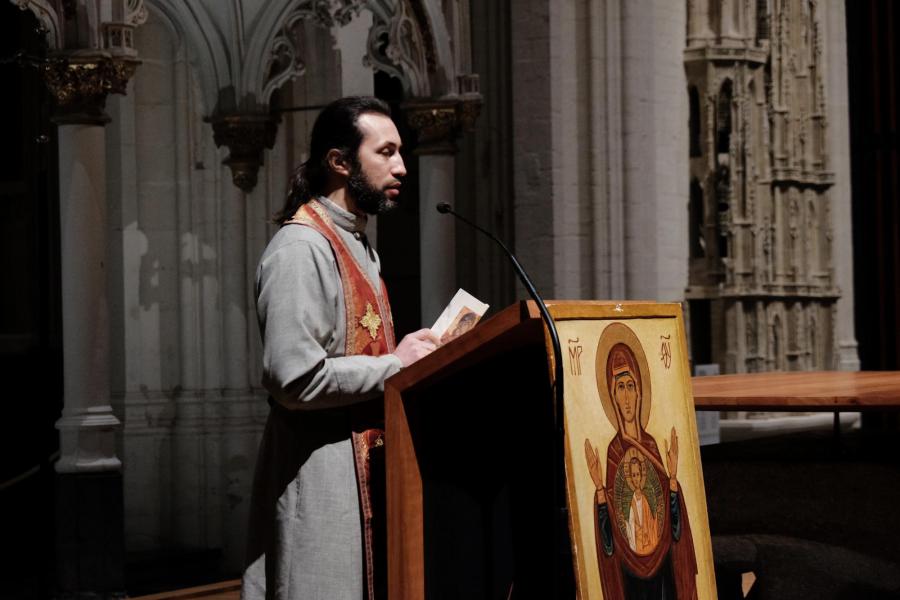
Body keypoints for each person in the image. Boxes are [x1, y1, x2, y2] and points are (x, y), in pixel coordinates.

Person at [241, 96, 439, 600]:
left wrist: (408, 352)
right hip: (322, 478)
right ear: (340, 162)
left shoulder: (358, 242)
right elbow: (293, 378)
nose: (401, 166)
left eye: (401, 152)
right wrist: (396, 366)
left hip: (369, 470)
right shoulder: (301, 248)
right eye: (386, 152)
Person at [583, 328, 698, 599]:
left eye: (631, 386)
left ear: (640, 391)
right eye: (619, 388)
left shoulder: (652, 445)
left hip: (663, 565)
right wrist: (600, 490)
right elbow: (608, 541)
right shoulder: (613, 452)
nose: (626, 398)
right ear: (611, 394)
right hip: (629, 572)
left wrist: (672, 481)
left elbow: (674, 525)